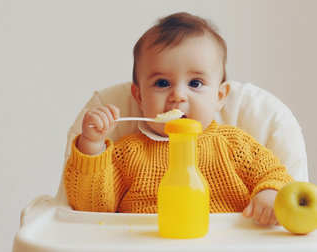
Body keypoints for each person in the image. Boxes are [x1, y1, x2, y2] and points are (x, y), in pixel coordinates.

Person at [63, 12, 293, 226]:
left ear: (219, 97)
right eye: (162, 83)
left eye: (195, 83)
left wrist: (271, 193)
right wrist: (92, 145)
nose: (178, 96)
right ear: (140, 97)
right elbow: (90, 208)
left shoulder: (234, 145)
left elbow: (276, 175)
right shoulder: (128, 154)